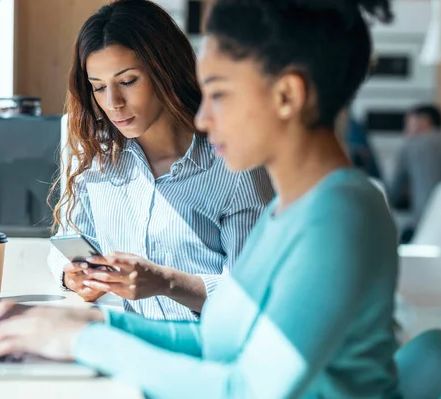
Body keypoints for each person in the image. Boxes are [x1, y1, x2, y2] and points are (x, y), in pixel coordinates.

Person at [0, 0, 400, 398]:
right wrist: (92, 321)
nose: (202, 117)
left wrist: (85, 340)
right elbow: (218, 342)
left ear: (287, 96)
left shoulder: (339, 219)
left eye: (218, 93)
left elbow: (245, 390)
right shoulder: (288, 211)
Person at [47, 0, 273, 320]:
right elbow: (67, 242)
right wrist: (72, 276)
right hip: (131, 341)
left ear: (165, 71)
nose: (113, 103)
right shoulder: (96, 154)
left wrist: (166, 283)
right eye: (99, 88)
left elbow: (254, 292)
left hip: (206, 350)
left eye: (127, 81)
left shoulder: (234, 166)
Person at [388, 104, 441, 243]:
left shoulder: (411, 146)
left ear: (424, 122)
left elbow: (394, 192)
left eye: (408, 124)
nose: (405, 130)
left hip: (425, 224)